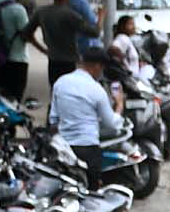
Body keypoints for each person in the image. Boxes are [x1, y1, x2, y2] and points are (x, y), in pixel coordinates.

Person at [49, 43, 124, 186]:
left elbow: (53, 118)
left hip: (63, 147)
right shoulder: (97, 90)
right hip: (87, 148)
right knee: (91, 194)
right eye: (102, 69)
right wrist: (119, 105)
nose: (101, 73)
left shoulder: (61, 82)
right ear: (97, 66)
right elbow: (111, 124)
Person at [28, 0, 95, 86]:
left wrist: (43, 50)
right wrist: (101, 16)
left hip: (53, 60)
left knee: (56, 90)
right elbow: (94, 33)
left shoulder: (42, 12)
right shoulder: (70, 14)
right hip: (69, 61)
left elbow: (27, 34)